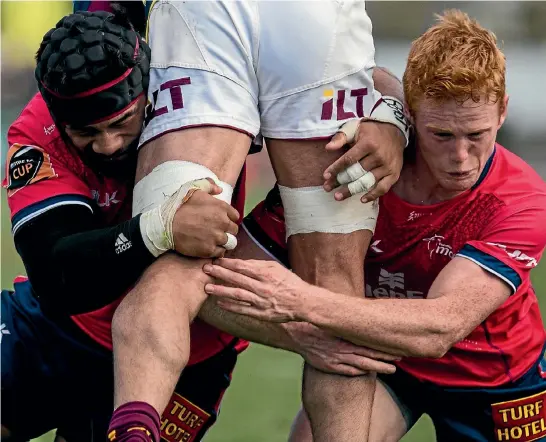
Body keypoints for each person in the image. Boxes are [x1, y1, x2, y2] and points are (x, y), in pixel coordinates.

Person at [1, 6, 404, 442]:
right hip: (58, 332)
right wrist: (159, 228)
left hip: (190, 354)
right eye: (86, 133)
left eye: (120, 123)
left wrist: (396, 119)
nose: (109, 144)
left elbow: (352, 79)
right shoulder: (37, 135)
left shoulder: (183, 74)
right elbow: (56, 275)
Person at [203, 10, 546, 442]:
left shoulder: (520, 200)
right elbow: (208, 282)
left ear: (503, 112)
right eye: (441, 135)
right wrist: (297, 335)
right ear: (411, 112)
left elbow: (439, 328)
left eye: (475, 135)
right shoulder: (357, 171)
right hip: (386, 359)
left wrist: (301, 301)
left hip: (494, 378)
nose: (461, 158)